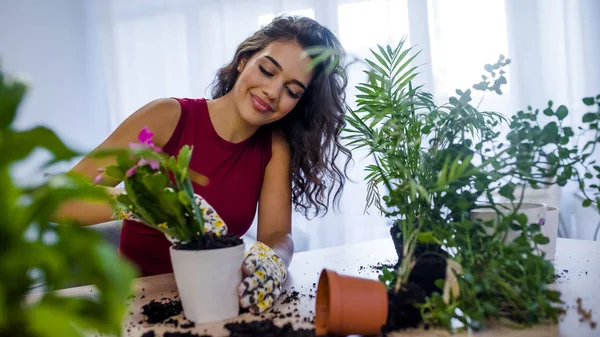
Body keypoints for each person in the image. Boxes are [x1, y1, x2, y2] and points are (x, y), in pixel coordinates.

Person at [55, 15, 351, 314]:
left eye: (292, 91)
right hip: (135, 302)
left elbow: (277, 235)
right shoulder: (168, 117)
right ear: (243, 60)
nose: (272, 92)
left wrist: (273, 259)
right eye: (266, 70)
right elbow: (59, 200)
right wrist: (145, 204)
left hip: (214, 302)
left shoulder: (273, 147)